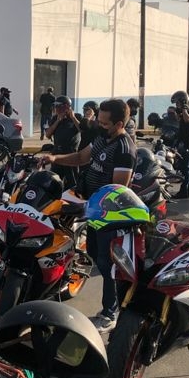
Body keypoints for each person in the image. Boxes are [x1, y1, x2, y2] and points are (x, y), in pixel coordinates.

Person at [40, 98, 136, 332]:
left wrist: (87, 208)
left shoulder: (124, 148)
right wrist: (55, 158)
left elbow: (116, 190)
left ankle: (111, 312)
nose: (98, 125)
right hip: (92, 209)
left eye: (104, 123)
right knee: (94, 256)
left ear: (119, 123)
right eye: (99, 120)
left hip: (108, 215)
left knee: (108, 264)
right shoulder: (103, 138)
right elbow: (82, 157)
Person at [46, 95, 81, 190]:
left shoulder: (77, 117)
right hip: (57, 154)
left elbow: (82, 130)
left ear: (66, 106)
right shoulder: (55, 118)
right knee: (54, 182)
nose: (56, 108)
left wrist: (73, 118)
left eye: (58, 106)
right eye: (55, 106)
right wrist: (58, 121)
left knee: (72, 184)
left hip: (70, 155)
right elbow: (48, 134)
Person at [172, 90, 189, 198]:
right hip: (182, 142)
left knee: (186, 167)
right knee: (183, 167)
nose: (177, 105)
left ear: (183, 101)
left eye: (178, 103)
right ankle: (188, 190)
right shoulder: (182, 111)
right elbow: (179, 120)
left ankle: (184, 190)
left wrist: (184, 110)